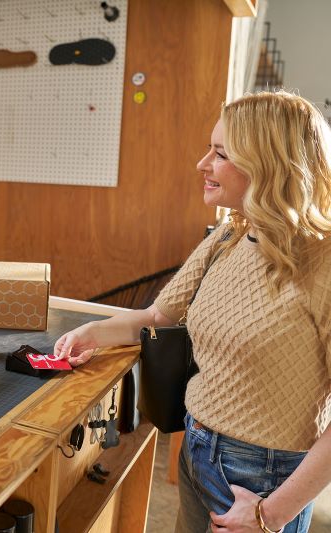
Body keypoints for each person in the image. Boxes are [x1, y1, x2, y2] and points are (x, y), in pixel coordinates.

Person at [54, 91, 331, 533]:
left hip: (260, 481)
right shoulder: (229, 237)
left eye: (219, 154)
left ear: (267, 165)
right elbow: (156, 317)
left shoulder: (324, 260)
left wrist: (271, 513)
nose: (202, 165)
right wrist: (91, 332)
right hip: (196, 447)